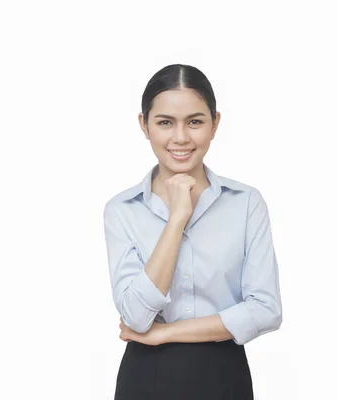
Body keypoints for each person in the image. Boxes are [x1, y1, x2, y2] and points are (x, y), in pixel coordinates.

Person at [102, 64, 283, 399]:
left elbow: (266, 310)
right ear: (144, 125)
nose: (181, 137)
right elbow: (136, 316)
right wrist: (177, 219)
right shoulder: (121, 210)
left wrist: (165, 334)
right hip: (145, 380)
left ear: (215, 123)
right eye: (165, 122)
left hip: (224, 377)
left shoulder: (246, 203)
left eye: (195, 121)